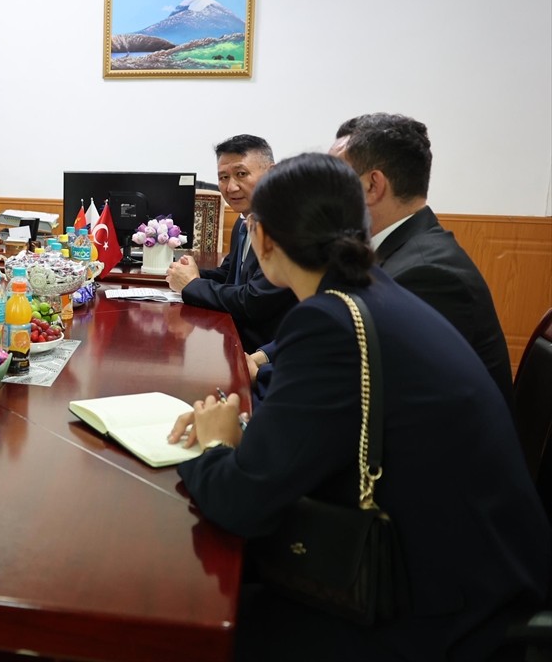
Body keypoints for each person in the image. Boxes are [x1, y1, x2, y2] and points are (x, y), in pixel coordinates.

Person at [168, 153, 548, 661]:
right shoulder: (371, 290)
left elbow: (243, 503)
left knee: (197, 620)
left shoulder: (329, 321)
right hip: (470, 558)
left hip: (432, 602)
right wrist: (242, 428)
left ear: (262, 238)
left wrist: (215, 444)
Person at [248, 114, 514, 408]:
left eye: (335, 179)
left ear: (374, 185)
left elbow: (357, 386)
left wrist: (261, 373)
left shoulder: (429, 274)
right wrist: (264, 356)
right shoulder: (383, 247)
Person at [166, 134, 296, 350]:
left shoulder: (283, 226)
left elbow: (253, 301)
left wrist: (192, 285)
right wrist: (187, 271)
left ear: (272, 173)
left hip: (264, 353)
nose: (231, 187)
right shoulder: (243, 220)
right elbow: (229, 275)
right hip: (235, 341)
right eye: (223, 177)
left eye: (241, 174)